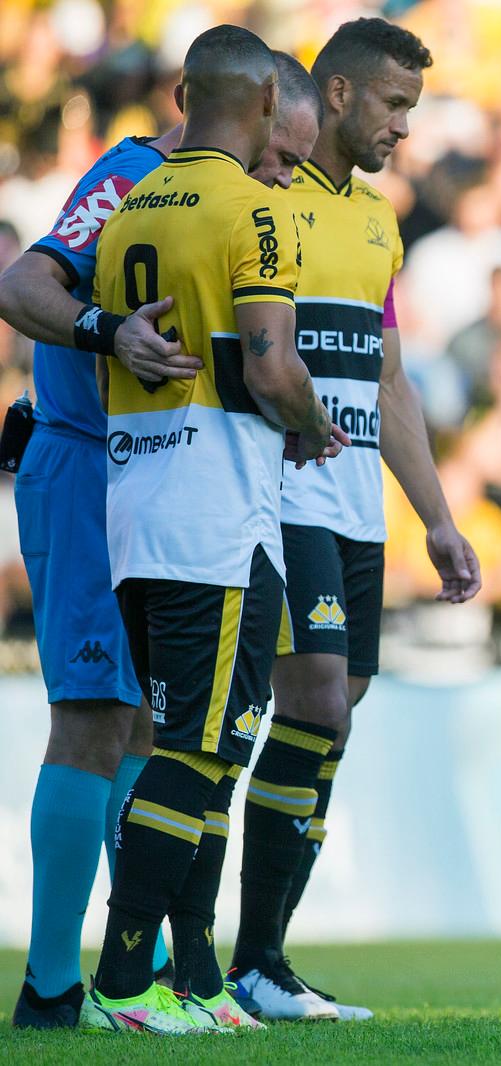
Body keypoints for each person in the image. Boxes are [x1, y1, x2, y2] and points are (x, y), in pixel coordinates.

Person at [0, 47, 319, 1033]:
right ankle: (56, 986)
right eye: (282, 153)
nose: (282, 177)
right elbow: (23, 285)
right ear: (256, 108)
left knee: (155, 726)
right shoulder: (127, 176)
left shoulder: (217, 196)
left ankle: (154, 971)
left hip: (156, 474)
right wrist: (106, 329)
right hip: (89, 461)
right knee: (96, 715)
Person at [80, 24, 344, 1034]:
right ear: (271, 105)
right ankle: (122, 983)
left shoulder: (133, 204)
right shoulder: (254, 210)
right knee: (194, 748)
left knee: (215, 746)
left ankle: (189, 978)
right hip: (215, 510)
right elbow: (271, 367)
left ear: (187, 93)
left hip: (140, 494)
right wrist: (314, 422)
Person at [229, 18, 481, 1025]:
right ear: (334, 94)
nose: (404, 130)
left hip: (358, 508)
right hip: (280, 496)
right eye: (393, 105)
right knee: (316, 704)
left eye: (412, 110)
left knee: (335, 713)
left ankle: (263, 961)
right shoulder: (264, 202)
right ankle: (242, 958)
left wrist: (439, 519)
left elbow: (387, 379)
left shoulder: (378, 220)